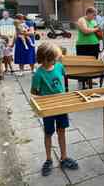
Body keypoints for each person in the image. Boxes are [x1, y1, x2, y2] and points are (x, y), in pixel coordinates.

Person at [31, 43, 79, 176]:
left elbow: (63, 79)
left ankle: (63, 157)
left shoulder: (59, 66)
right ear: (46, 59)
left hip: (61, 106)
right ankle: (48, 159)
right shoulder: (38, 74)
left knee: (62, 130)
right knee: (48, 133)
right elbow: (34, 92)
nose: (56, 60)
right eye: (54, 58)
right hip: (48, 109)